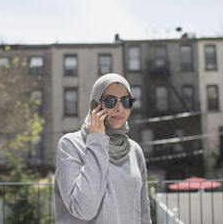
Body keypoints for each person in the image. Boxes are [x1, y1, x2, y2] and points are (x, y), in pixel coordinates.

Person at [54, 73, 152, 224]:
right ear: (95, 105)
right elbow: (84, 209)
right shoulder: (70, 145)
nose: (120, 108)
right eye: (111, 101)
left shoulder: (134, 150)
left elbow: (143, 214)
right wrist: (97, 141)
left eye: (126, 101)